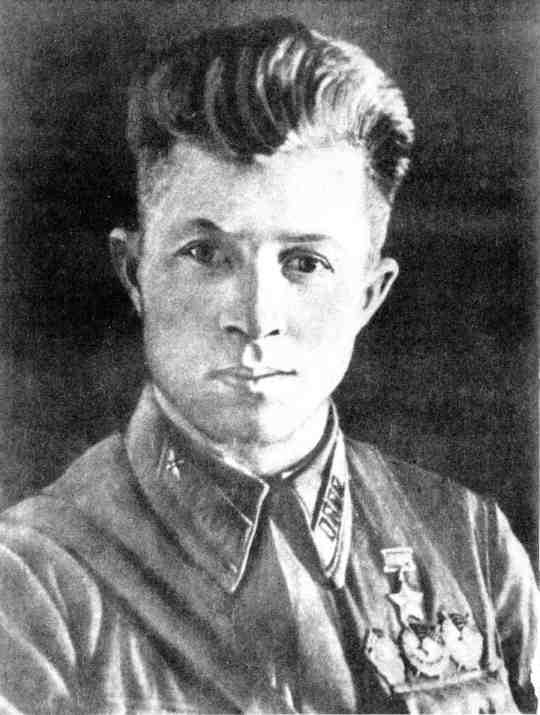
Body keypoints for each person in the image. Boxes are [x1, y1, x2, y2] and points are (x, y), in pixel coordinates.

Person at [0, 16, 537, 715]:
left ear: (369, 295)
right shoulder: (34, 587)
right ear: (134, 274)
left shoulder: (472, 548)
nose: (256, 317)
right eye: (206, 255)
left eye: (305, 263)